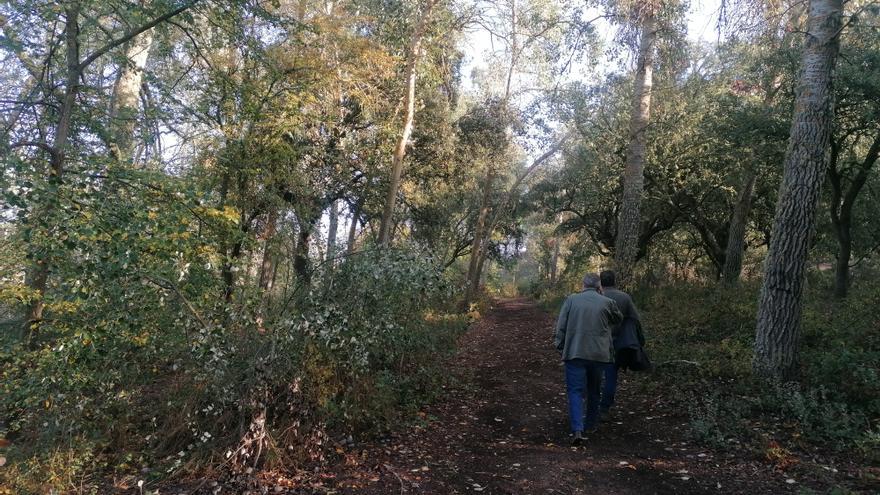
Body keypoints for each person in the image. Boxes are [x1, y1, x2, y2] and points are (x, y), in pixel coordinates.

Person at [554, 273, 622, 445]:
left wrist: (560, 345)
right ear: (599, 286)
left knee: (575, 391)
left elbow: (561, 325)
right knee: (594, 390)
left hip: (575, 352)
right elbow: (618, 319)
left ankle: (577, 429)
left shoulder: (571, 300)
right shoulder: (607, 302)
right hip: (598, 355)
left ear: (583, 285)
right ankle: (590, 424)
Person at [598, 269, 642, 416]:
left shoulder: (597, 297)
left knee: (594, 374)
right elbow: (635, 319)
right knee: (611, 376)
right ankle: (604, 408)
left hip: (598, 342)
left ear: (601, 282)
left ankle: (592, 404)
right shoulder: (624, 297)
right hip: (617, 342)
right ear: (614, 281)